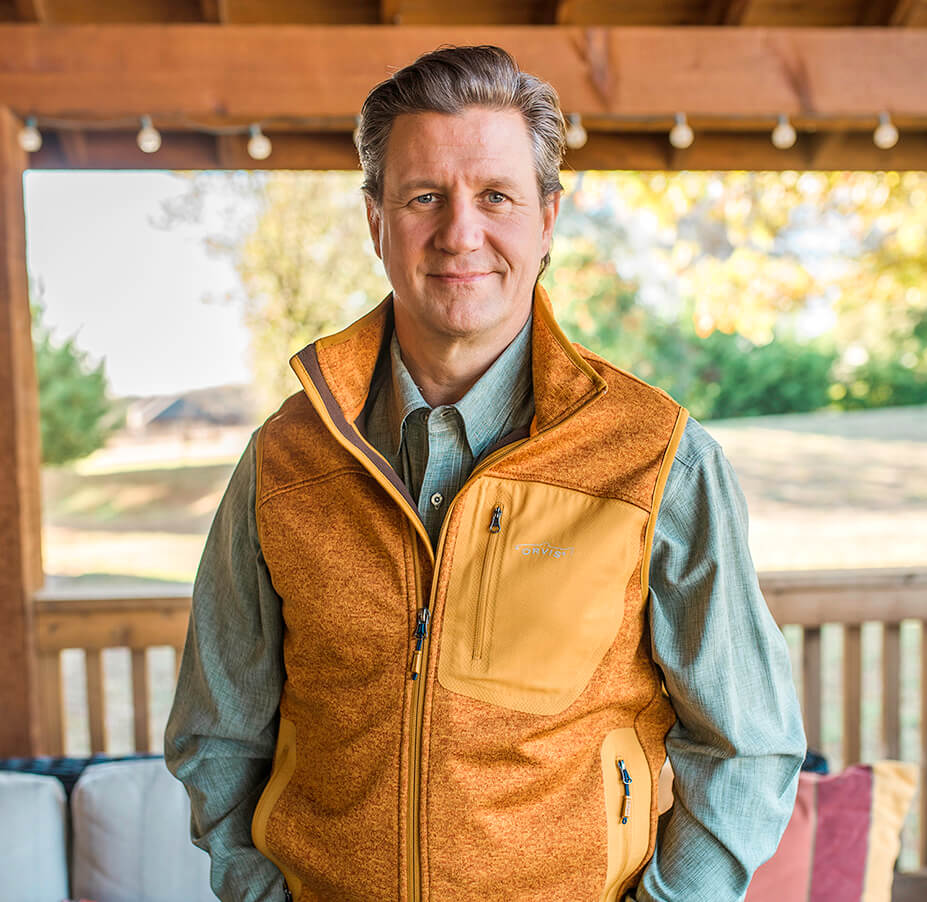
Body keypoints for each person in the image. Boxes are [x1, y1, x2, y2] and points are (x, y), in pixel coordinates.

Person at [165, 44, 806, 902]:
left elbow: (747, 744)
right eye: (424, 196)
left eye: (495, 196)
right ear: (375, 221)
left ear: (546, 220)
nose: (460, 233)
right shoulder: (285, 461)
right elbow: (218, 736)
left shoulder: (657, 457)